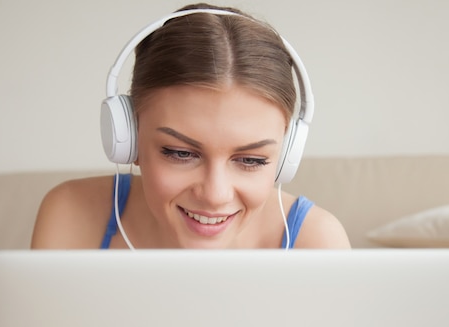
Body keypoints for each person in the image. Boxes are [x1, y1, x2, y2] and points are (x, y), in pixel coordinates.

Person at [31, 3, 350, 250]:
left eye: (251, 160)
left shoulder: (316, 242)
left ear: (285, 156)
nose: (214, 195)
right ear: (129, 138)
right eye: (180, 153)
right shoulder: (72, 214)